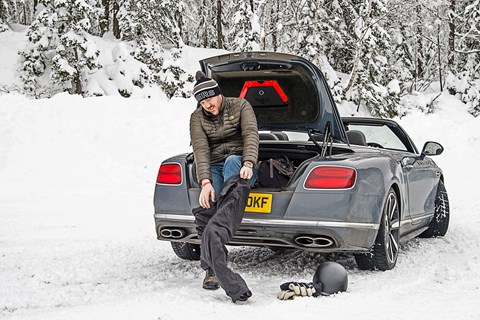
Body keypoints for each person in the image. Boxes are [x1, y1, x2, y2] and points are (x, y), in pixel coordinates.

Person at [189, 70, 259, 299]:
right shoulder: (197, 118)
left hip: (243, 165)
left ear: (218, 94)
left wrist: (248, 162)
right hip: (216, 167)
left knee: (231, 162)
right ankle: (211, 268)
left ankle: (215, 242)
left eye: (209, 98)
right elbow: (200, 150)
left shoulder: (240, 106)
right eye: (202, 101)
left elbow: (250, 134)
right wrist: (206, 182)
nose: (206, 104)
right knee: (208, 204)